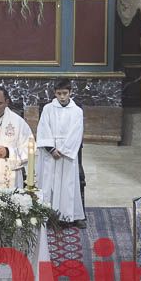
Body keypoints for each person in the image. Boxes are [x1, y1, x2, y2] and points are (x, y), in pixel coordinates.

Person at [35, 78, 85, 225]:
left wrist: (64, 150)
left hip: (67, 154)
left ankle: (68, 215)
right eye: (59, 93)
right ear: (54, 93)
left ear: (70, 92)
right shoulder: (48, 109)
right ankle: (49, 215)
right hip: (51, 153)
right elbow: (43, 128)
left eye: (65, 93)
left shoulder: (76, 111)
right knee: (49, 183)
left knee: (67, 185)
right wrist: (51, 149)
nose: (62, 97)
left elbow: (77, 132)